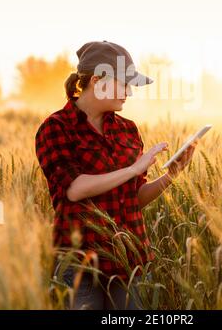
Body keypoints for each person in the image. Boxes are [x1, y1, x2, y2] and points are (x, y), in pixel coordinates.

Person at [35, 40, 196, 310]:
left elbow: (134, 198)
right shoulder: (55, 128)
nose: (129, 93)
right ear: (98, 80)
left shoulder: (128, 130)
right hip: (80, 265)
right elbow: (74, 189)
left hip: (130, 261)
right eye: (124, 84)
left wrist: (171, 176)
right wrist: (133, 169)